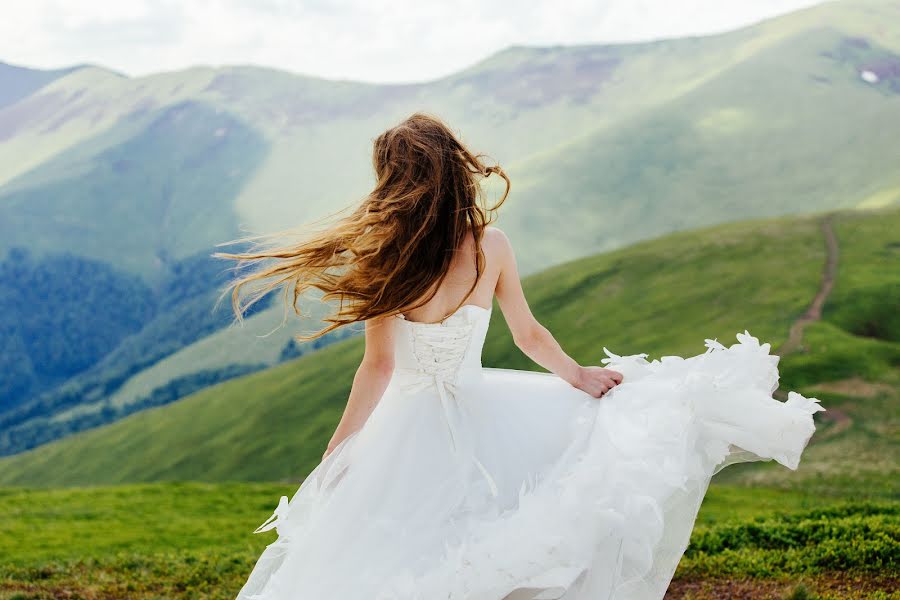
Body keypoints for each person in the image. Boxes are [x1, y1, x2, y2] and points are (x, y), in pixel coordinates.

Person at [213, 111, 824, 600]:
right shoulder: (490, 245)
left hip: (404, 423)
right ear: (455, 171)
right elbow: (529, 335)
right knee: (503, 519)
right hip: (484, 403)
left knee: (399, 541)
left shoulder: (387, 259)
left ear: (391, 182)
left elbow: (378, 367)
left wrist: (338, 450)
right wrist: (580, 377)